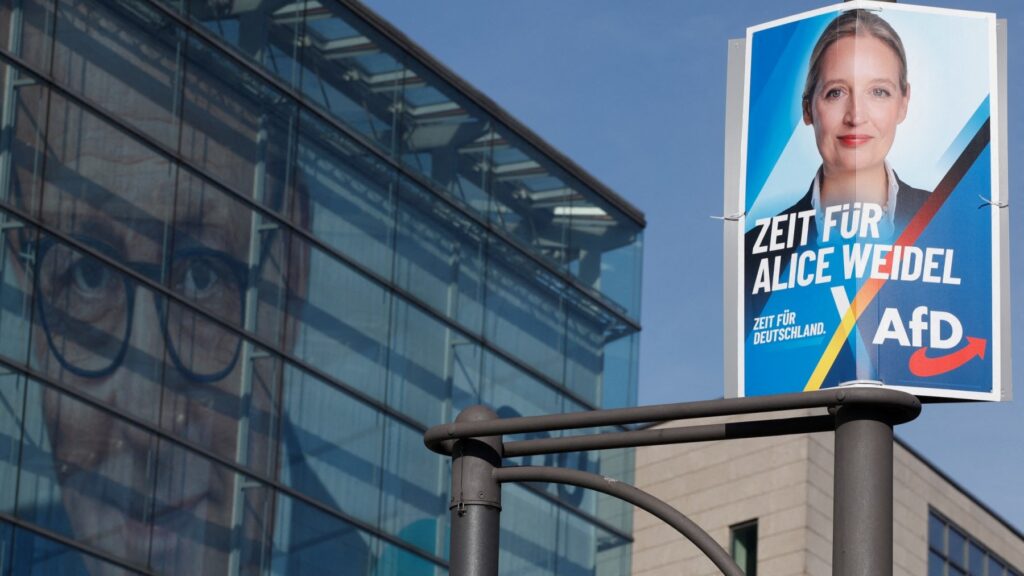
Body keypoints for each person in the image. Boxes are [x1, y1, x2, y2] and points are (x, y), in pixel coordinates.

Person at [745, 9, 929, 384]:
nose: (856, 115)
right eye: (836, 93)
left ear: (904, 102)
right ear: (808, 108)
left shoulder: (946, 224)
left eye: (878, 91)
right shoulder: (756, 251)